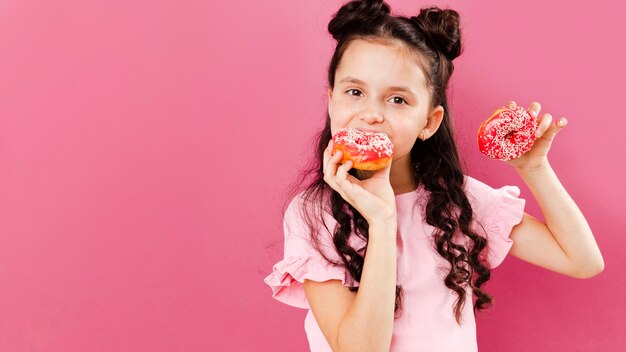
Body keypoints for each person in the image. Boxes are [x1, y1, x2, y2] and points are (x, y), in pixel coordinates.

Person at [263, 0, 605, 351]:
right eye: (355, 92)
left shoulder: (459, 202)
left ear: (429, 122)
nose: (370, 114)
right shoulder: (312, 214)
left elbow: (581, 260)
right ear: (332, 101)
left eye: (397, 100)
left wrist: (534, 169)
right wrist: (382, 222)